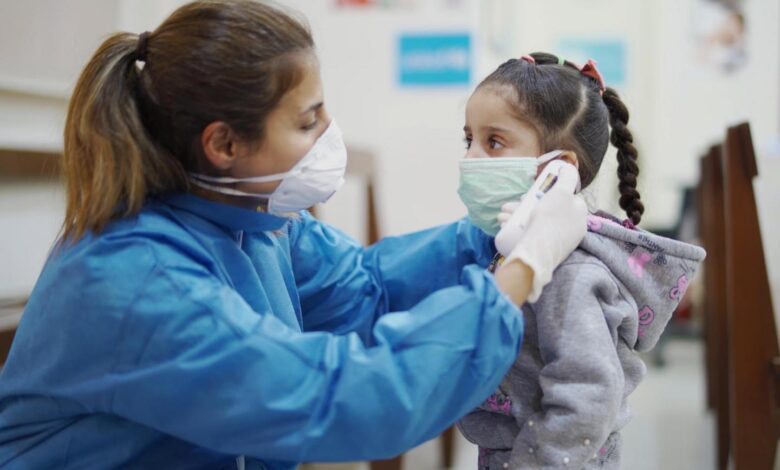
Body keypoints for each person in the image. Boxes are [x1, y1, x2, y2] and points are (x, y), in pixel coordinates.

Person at [0, 4, 588, 469]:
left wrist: (494, 229)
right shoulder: (133, 282)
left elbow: (368, 286)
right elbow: (348, 398)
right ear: (224, 144)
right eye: (308, 120)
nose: (330, 132)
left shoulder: (252, 221)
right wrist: (524, 267)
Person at [455, 52, 706, 469]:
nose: (471, 159)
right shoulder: (506, 252)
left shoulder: (570, 274)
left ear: (557, 171)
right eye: (469, 140)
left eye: (493, 142)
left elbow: (587, 396)